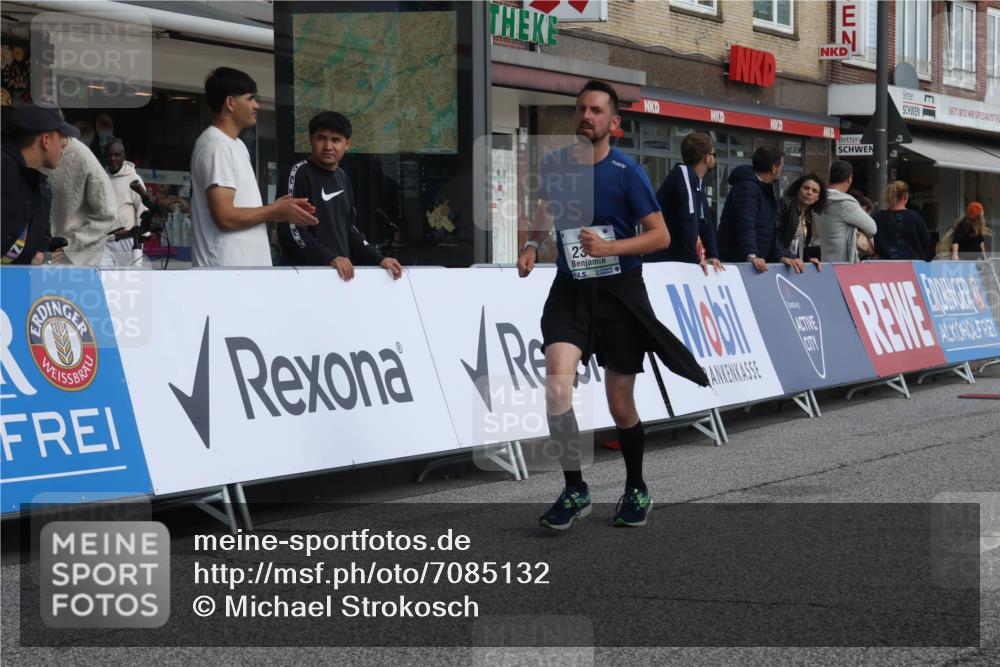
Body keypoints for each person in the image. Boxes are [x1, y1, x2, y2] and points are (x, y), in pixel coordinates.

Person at [515, 80, 709, 531]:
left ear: (614, 122)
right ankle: (575, 489)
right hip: (570, 288)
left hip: (620, 290)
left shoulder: (627, 171)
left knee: (619, 403)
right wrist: (532, 244)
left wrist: (611, 248)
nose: (587, 116)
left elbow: (661, 236)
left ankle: (636, 487)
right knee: (557, 387)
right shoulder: (557, 164)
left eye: (597, 110)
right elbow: (547, 209)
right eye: (581, 109)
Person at [190, 67, 317, 267]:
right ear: (230, 102)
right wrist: (274, 210)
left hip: (244, 271)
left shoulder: (237, 145)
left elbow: (240, 211)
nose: (256, 105)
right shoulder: (216, 146)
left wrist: (281, 210)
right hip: (225, 271)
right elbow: (225, 217)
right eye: (250, 98)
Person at [278, 111, 403, 280]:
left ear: (347, 144)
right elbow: (290, 232)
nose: (328, 146)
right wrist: (329, 258)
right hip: (304, 278)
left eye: (336, 140)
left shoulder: (343, 177)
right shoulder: (297, 174)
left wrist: (379, 259)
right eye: (321, 138)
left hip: (339, 278)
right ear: (310, 139)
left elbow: (350, 230)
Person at [1, 104, 78, 265]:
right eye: (61, 136)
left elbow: (36, 248)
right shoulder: (4, 169)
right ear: (46, 140)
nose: (65, 144)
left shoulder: (42, 189)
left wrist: (43, 255)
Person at [717, 145, 806, 273]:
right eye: (781, 166)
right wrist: (751, 254)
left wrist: (781, 256)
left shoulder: (764, 189)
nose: (781, 170)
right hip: (740, 265)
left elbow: (768, 230)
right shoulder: (748, 187)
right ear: (774, 168)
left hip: (754, 264)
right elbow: (745, 222)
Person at [645, 131, 723, 274]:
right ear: (706, 157)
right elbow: (689, 219)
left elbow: (705, 222)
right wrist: (694, 259)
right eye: (714, 154)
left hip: (675, 260)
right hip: (661, 262)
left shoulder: (697, 182)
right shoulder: (683, 174)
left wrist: (712, 255)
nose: (714, 158)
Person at [43, 136, 119, 266]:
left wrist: (71, 245)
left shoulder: (83, 157)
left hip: (78, 260)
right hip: (42, 255)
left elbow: (108, 213)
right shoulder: (35, 154)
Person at [814, 160, 877, 264]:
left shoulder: (819, 200)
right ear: (849, 178)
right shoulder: (845, 203)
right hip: (844, 264)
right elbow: (872, 228)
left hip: (826, 261)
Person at [104, 139, 147, 265]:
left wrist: (141, 236)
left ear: (124, 156)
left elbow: (142, 207)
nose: (113, 158)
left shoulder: (133, 178)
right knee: (104, 275)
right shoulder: (100, 177)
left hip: (127, 239)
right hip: (104, 241)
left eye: (117, 155)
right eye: (110, 155)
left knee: (128, 275)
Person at [872, 180, 931, 261]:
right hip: (912, 264)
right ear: (906, 196)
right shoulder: (914, 217)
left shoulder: (878, 217)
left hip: (884, 264)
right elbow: (926, 241)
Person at [776, 173, 826, 267]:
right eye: (806, 188)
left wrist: (808, 259)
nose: (809, 192)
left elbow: (800, 244)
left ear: (817, 198)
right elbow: (774, 235)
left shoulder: (808, 214)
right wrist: (782, 256)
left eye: (814, 191)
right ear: (798, 190)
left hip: (793, 265)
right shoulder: (785, 204)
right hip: (778, 264)